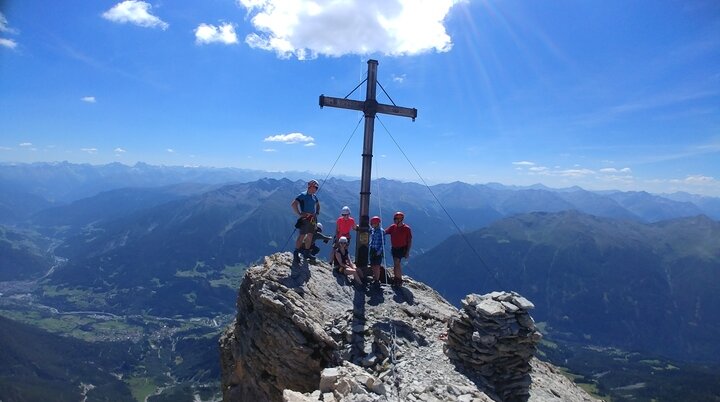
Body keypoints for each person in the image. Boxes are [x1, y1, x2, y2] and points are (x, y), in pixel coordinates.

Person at [291, 179, 320, 265]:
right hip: (305, 219)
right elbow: (293, 204)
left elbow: (318, 205)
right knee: (302, 235)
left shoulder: (314, 196)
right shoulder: (303, 195)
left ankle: (306, 253)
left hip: (312, 219)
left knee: (310, 236)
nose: (316, 189)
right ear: (310, 186)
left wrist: (317, 213)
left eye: (317, 188)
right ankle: (296, 253)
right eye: (315, 187)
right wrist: (299, 214)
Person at [385, 211, 412, 287]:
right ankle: (397, 278)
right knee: (396, 263)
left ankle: (398, 279)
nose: (394, 220)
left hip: (401, 248)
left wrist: (407, 252)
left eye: (396, 219)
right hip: (394, 248)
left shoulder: (406, 229)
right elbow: (385, 232)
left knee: (397, 262)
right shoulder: (393, 227)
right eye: (394, 218)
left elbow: (409, 241)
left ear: (401, 219)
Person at [368, 215, 385, 285]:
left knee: (377, 266)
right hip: (372, 249)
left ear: (376, 223)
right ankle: (375, 277)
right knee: (372, 264)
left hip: (378, 251)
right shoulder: (373, 230)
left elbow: (383, 243)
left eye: (372, 223)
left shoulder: (381, 231)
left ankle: (377, 280)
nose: (371, 225)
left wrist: (379, 251)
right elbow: (369, 230)